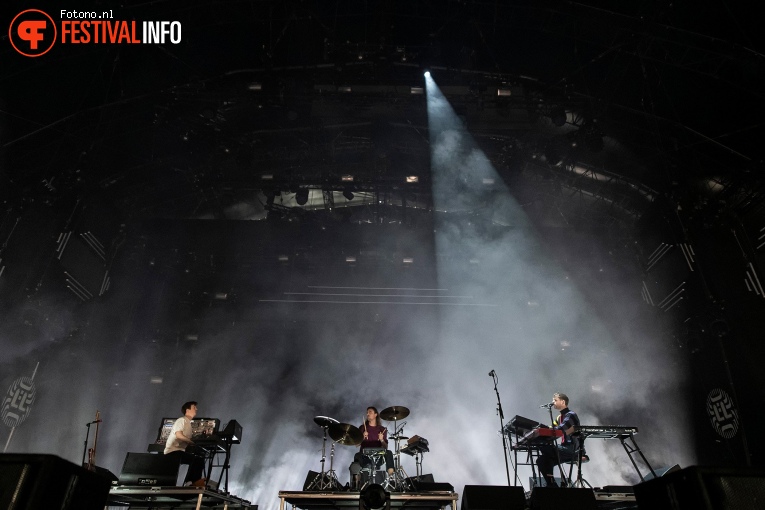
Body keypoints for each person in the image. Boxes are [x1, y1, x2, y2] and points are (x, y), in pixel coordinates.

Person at [535, 392, 581, 487]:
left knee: (547, 449)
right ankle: (552, 485)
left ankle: (555, 485)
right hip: (564, 448)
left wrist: (547, 431)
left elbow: (561, 429)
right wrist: (542, 429)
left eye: (555, 400)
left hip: (572, 448)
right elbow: (551, 427)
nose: (553, 402)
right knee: (542, 460)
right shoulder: (559, 417)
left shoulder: (571, 415)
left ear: (563, 402)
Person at [164, 401, 207, 487]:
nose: (196, 409)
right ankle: (191, 482)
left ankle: (190, 482)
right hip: (172, 452)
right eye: (194, 407)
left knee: (198, 459)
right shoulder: (181, 420)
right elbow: (179, 435)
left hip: (179, 451)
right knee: (197, 460)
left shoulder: (188, 424)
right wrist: (191, 442)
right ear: (187, 410)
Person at [352, 407, 395, 487]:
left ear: (375, 415)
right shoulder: (362, 428)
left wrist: (382, 440)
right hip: (365, 457)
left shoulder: (382, 429)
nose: (367, 414)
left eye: (370, 412)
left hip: (378, 457)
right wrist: (362, 437)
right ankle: (357, 482)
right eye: (367, 412)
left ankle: (391, 478)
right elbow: (356, 445)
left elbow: (385, 447)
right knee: (357, 456)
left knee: (389, 453)